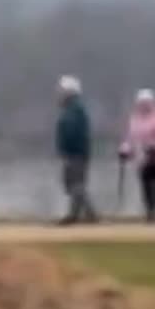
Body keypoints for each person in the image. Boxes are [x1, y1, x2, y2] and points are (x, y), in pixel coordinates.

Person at [119, 88, 155, 223]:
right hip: (142, 159)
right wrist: (125, 149)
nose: (144, 105)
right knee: (146, 188)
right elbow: (130, 138)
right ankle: (151, 213)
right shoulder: (134, 119)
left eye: (147, 102)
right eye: (142, 103)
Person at [55, 75, 98, 225]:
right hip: (73, 152)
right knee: (73, 184)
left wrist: (67, 149)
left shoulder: (75, 109)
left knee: (76, 185)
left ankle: (88, 214)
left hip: (76, 152)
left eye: (61, 90)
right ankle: (75, 214)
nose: (59, 93)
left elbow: (71, 131)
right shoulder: (71, 108)